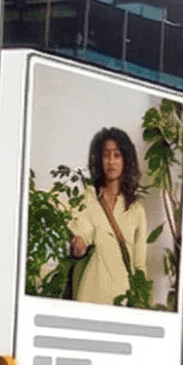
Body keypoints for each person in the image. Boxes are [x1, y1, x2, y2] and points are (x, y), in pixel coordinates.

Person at [66, 128, 151, 305]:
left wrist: (144, 305)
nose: (111, 161)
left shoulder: (136, 209)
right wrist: (78, 245)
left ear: (126, 160)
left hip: (123, 298)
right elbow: (82, 236)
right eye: (106, 155)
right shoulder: (89, 198)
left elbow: (140, 264)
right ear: (99, 160)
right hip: (89, 294)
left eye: (117, 155)